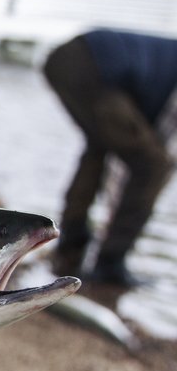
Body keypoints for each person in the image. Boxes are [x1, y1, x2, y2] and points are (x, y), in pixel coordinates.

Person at [44, 29, 177, 285]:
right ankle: (110, 263)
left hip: (66, 58)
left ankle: (70, 244)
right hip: (92, 65)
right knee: (154, 165)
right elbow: (157, 151)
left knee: (99, 147)